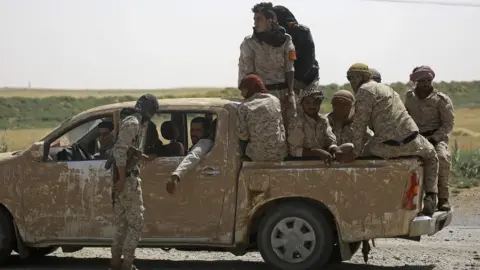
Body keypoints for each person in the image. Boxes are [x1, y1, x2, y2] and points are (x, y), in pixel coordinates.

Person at [344, 63, 439, 217]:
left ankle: (361, 203)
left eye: (353, 77)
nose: (351, 82)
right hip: (413, 141)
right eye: (349, 78)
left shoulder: (364, 91)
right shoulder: (388, 89)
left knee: (360, 162)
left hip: (385, 147)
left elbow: (359, 126)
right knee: (432, 155)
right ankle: (431, 196)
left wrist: (355, 151)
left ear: (363, 77)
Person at [109, 94, 159, 270]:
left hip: (125, 177)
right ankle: (127, 264)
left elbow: (130, 148)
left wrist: (143, 157)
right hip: (127, 179)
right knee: (136, 224)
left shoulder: (133, 121)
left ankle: (115, 263)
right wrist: (122, 180)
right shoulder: (133, 123)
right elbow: (120, 152)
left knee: (122, 224)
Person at [238, 2, 297, 125]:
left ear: (269, 20)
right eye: (254, 19)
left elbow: (290, 67)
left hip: (284, 93)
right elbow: (248, 73)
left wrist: (291, 93)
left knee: (291, 129)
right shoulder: (250, 43)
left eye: (259, 19)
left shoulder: (286, 40)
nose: (255, 22)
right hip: (262, 96)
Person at [405, 66, 454, 211]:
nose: (426, 83)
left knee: (442, 158)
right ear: (416, 82)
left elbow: (448, 124)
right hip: (417, 138)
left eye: (428, 80)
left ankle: (443, 198)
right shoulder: (409, 98)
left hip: (437, 138)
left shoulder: (441, 99)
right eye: (422, 80)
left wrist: (435, 138)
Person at [237, 74, 287, 161]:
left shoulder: (244, 106)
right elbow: (280, 125)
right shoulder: (275, 100)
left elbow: (243, 136)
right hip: (279, 154)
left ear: (250, 89)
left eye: (244, 90)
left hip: (258, 156)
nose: (242, 94)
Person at [272, 5, 320, 95]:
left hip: (306, 79)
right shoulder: (270, 35)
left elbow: (307, 62)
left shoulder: (301, 32)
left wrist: (291, 82)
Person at [287, 88, 339, 166]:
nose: (312, 106)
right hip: (302, 166)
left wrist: (334, 149)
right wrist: (316, 152)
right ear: (302, 104)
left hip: (323, 164)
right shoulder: (297, 122)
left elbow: (330, 140)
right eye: (308, 102)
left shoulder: (323, 121)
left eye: (316, 102)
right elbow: (293, 150)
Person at [166, 117, 215, 194]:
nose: (194, 134)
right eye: (192, 130)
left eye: (198, 130)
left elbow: (194, 156)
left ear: (206, 132)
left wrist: (176, 175)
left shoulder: (205, 143)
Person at [326, 90, 373, 154]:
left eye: (344, 104)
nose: (339, 107)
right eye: (335, 103)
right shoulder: (326, 120)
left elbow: (371, 139)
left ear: (351, 105)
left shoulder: (358, 122)